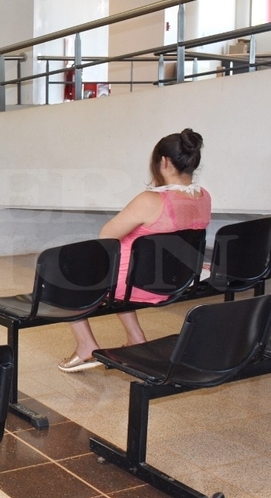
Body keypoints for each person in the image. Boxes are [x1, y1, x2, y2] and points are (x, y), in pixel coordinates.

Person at [60, 128, 211, 372]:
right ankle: (136, 338)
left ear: (163, 162)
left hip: (137, 284)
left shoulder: (150, 200)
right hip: (179, 280)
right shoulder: (204, 197)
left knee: (66, 272)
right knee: (124, 266)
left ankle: (86, 346)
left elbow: (107, 235)